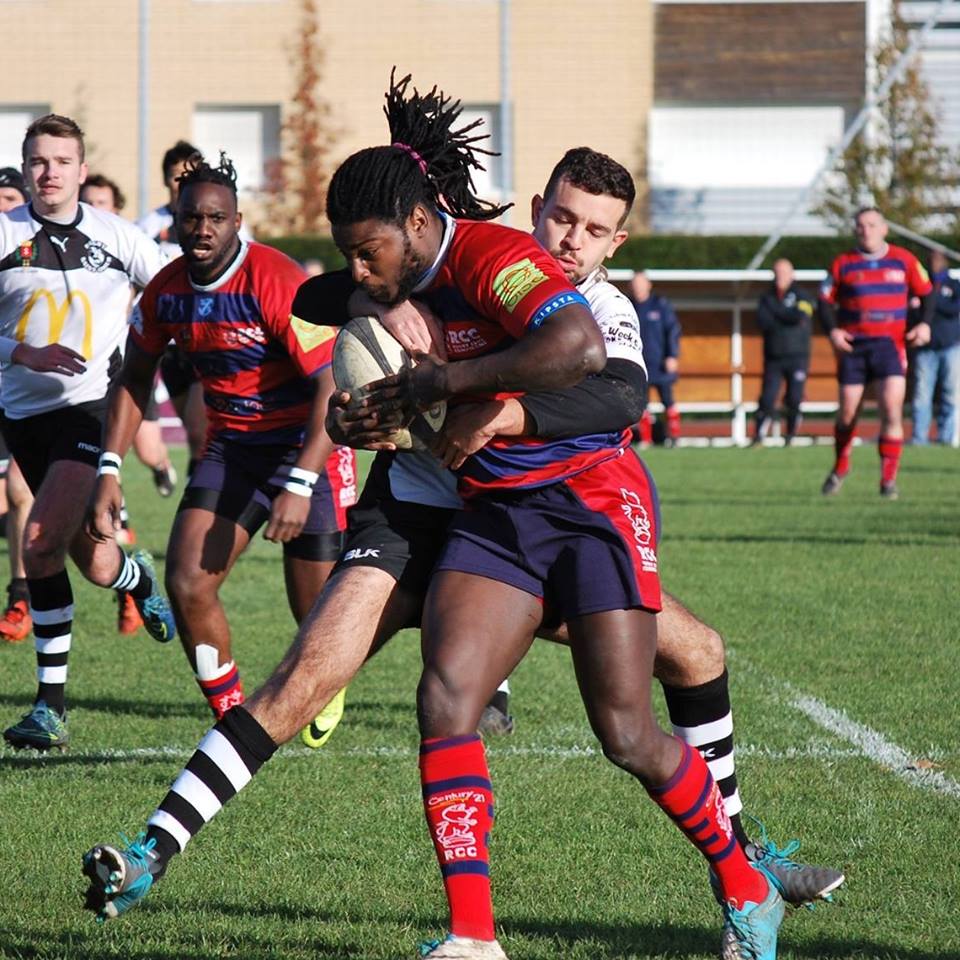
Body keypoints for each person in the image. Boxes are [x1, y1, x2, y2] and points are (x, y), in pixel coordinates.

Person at [81, 80, 791, 960]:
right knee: (397, 691)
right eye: (562, 218)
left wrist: (468, 398)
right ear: (539, 207)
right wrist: (369, 367)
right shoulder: (421, 270)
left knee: (645, 709)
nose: (569, 239)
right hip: (454, 511)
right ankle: (454, 933)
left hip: (582, 504)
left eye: (594, 228)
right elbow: (326, 303)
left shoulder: (542, 283)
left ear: (617, 241)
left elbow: (601, 382)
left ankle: (745, 869)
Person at [85, 153, 357, 721]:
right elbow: (134, 378)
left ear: (237, 222)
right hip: (232, 449)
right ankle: (232, 716)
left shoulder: (277, 280)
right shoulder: (165, 291)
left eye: (216, 218)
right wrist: (109, 468)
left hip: (307, 445)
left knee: (316, 614)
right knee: (188, 582)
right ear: (175, 220)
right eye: (191, 218)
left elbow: (331, 385)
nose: (203, 229)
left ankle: (324, 686)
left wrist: (300, 482)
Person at [0, 114, 176, 750]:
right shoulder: (4, 233)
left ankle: (50, 707)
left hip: (93, 410)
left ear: (82, 169)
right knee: (98, 564)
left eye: (62, 161)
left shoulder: (118, 237)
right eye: (38, 161)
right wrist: (20, 352)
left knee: (39, 540)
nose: (49, 173)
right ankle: (139, 578)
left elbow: (173, 292)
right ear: (26, 167)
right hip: (22, 418)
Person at [819, 207, 934, 499]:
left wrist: (924, 325)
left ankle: (888, 480)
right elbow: (823, 301)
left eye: (871, 224)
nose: (865, 230)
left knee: (891, 409)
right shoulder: (843, 263)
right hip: (854, 348)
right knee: (847, 413)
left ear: (884, 229)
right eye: (860, 225)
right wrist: (833, 331)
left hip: (889, 346)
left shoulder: (904, 259)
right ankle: (841, 465)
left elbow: (927, 293)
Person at [80, 174, 179, 504]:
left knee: (147, 449)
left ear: (116, 209)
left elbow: (165, 282)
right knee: (100, 441)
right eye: (88, 202)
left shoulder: (127, 244)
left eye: (101, 202)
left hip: (128, 362)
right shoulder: (65, 246)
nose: (94, 208)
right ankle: (116, 513)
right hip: (84, 368)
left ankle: (161, 465)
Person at [137, 141, 208, 480]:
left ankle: (203, 492)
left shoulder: (216, 219)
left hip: (206, 337)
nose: (183, 184)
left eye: (190, 176)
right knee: (192, 431)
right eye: (177, 177)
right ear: (166, 180)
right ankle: (198, 481)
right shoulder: (148, 226)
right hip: (168, 342)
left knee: (199, 427)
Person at [0, 167, 35, 643]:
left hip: (34, 393)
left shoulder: (36, 253)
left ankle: (20, 599)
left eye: (9, 198)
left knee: (20, 491)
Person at [752, 258, 814, 446]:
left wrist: (777, 313)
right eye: (777, 273)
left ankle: (791, 435)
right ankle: (758, 436)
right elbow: (762, 321)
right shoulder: (766, 297)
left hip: (797, 356)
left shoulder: (802, 295)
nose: (780, 277)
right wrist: (785, 316)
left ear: (792, 274)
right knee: (767, 397)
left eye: (784, 273)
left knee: (794, 398)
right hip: (773, 357)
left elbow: (800, 316)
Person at [910, 250, 960, 446]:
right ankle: (919, 438)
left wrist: (931, 301)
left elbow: (954, 309)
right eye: (931, 260)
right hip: (926, 348)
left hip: (951, 347)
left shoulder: (953, 284)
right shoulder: (921, 285)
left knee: (950, 393)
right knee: (922, 394)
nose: (935, 263)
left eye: (938, 259)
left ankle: (946, 437)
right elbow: (913, 312)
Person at [630, 270, 681, 447]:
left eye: (640, 283)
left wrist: (672, 355)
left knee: (668, 400)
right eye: (634, 284)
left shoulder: (660, 305)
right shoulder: (628, 305)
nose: (637, 287)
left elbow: (672, 330)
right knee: (641, 403)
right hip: (638, 363)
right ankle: (646, 440)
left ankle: (674, 438)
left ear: (648, 285)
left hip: (660, 363)